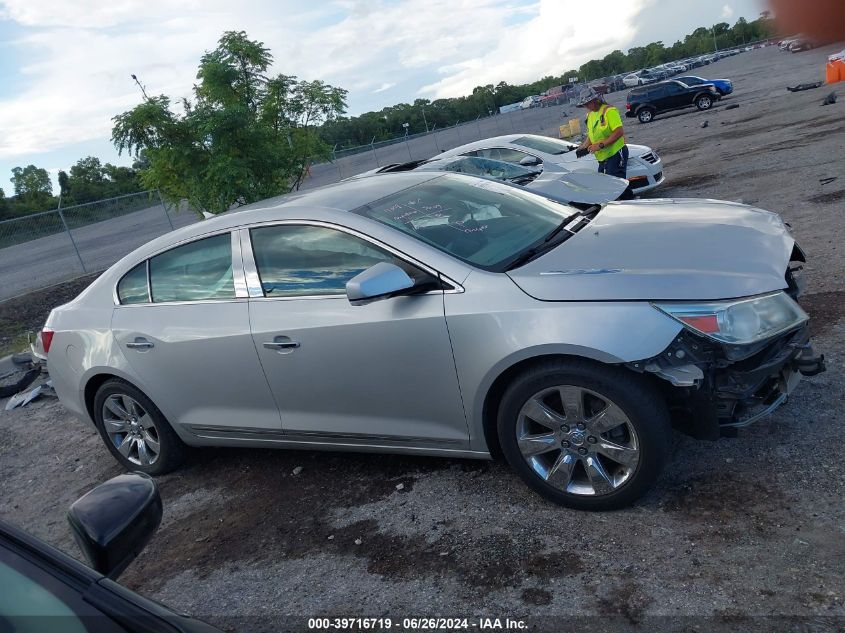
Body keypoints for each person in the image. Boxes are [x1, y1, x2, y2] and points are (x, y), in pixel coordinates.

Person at [574, 87, 632, 196]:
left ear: (595, 100)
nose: (586, 106)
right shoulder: (590, 115)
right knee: (607, 185)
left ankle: (628, 202)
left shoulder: (609, 111)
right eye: (584, 104)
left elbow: (619, 132)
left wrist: (600, 145)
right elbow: (591, 135)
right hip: (602, 157)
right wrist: (584, 146)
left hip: (616, 153)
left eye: (587, 103)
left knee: (616, 186)